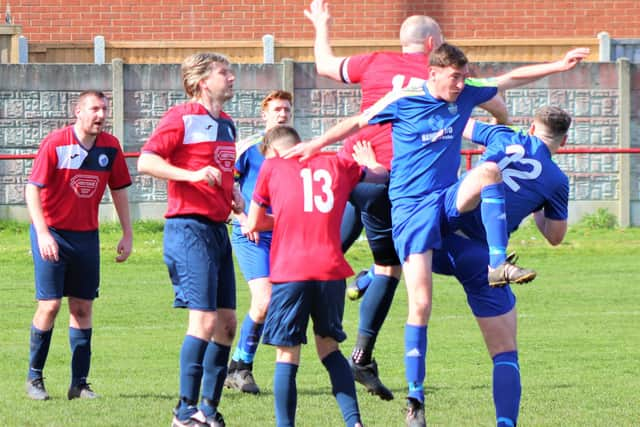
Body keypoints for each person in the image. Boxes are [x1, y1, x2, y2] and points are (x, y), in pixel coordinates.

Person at [287, 43, 588, 426]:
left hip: (446, 204)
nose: (462, 85)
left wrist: (559, 63)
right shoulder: (404, 98)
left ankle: (497, 266)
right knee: (422, 303)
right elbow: (359, 122)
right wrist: (316, 144)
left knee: (487, 174)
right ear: (432, 73)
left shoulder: (467, 97)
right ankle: (415, 399)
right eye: (455, 77)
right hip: (412, 211)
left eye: (464, 77)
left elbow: (507, 79)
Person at [303, 0, 509, 402]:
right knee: (390, 268)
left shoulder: (375, 61)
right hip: (395, 182)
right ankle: (361, 355)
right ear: (434, 45)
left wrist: (322, 25)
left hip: (352, 173)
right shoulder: (444, 78)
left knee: (321, 256)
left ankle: (256, 343)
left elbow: (325, 65)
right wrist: (501, 129)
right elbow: (497, 103)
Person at [429, 105, 572, 427]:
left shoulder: (503, 134)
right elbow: (555, 236)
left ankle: (371, 277)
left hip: (438, 232)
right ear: (564, 140)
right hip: (479, 256)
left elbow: (460, 125)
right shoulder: (557, 181)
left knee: (399, 242)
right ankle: (505, 423)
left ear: (532, 128)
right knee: (505, 352)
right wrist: (539, 205)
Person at [246, 125, 387, 427]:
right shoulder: (337, 163)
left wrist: (282, 218)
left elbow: (256, 222)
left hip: (290, 271)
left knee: (287, 355)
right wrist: (370, 161)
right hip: (330, 271)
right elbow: (380, 177)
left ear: (273, 151)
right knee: (329, 349)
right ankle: (355, 423)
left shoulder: (272, 167)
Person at [137, 52, 239, 427]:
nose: (231, 78)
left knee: (228, 324)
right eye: (223, 73)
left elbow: (222, 172)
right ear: (201, 81)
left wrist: (235, 193)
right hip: (188, 228)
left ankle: (209, 410)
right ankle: (184, 412)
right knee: (203, 320)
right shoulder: (181, 116)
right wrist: (191, 176)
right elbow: (146, 162)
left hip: (217, 230)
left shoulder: (228, 124)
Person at [25, 90, 133, 401]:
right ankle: (34, 379)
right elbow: (32, 190)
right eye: (94, 108)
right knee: (50, 305)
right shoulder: (56, 143)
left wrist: (127, 233)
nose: (100, 115)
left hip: (86, 237)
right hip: (53, 232)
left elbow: (120, 190)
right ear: (78, 111)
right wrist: (43, 233)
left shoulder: (110, 147)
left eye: (104, 109)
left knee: (82, 308)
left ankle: (79, 384)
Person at [224, 90, 293, 394]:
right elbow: (225, 187)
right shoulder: (248, 149)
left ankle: (240, 367)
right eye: (277, 109)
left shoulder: (294, 148)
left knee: (282, 302)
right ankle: (240, 367)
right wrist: (242, 218)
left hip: (284, 235)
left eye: (287, 110)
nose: (282, 114)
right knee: (264, 300)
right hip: (251, 234)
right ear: (264, 115)